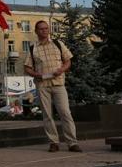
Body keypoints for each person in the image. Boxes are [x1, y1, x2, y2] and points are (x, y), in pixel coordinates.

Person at [24, 20, 82, 153]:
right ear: (36, 31)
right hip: (42, 85)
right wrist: (36, 74)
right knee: (47, 115)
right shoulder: (33, 48)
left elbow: (68, 61)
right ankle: (54, 142)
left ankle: (72, 143)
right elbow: (27, 68)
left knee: (65, 113)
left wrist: (61, 70)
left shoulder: (57, 44)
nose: (44, 31)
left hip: (58, 83)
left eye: (46, 28)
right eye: (41, 29)